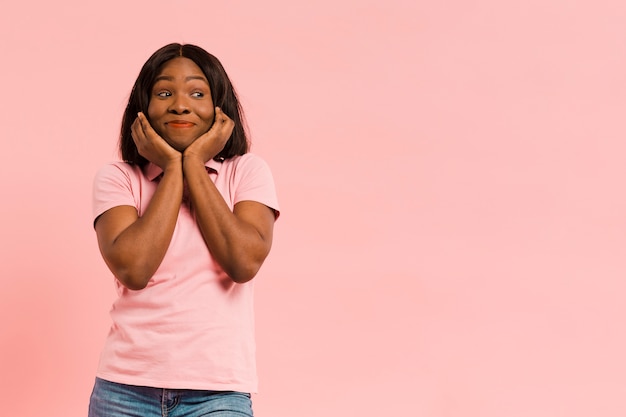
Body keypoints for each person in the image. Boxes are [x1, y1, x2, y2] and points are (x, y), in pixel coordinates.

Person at [88, 43, 279, 417]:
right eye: (163, 93)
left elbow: (243, 263)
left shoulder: (247, 173)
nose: (180, 105)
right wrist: (173, 169)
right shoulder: (119, 179)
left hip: (218, 395)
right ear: (142, 108)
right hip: (124, 392)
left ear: (219, 108)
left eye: (197, 92)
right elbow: (134, 269)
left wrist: (191, 161)